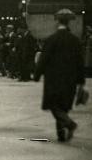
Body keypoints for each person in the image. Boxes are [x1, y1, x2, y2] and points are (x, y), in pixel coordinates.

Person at [34, 9, 85, 142]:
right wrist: (81, 80)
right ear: (69, 23)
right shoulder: (75, 41)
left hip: (53, 79)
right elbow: (80, 62)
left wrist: (37, 74)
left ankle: (69, 124)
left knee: (53, 105)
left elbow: (43, 59)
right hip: (70, 79)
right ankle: (61, 135)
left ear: (58, 22)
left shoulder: (52, 39)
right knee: (63, 105)